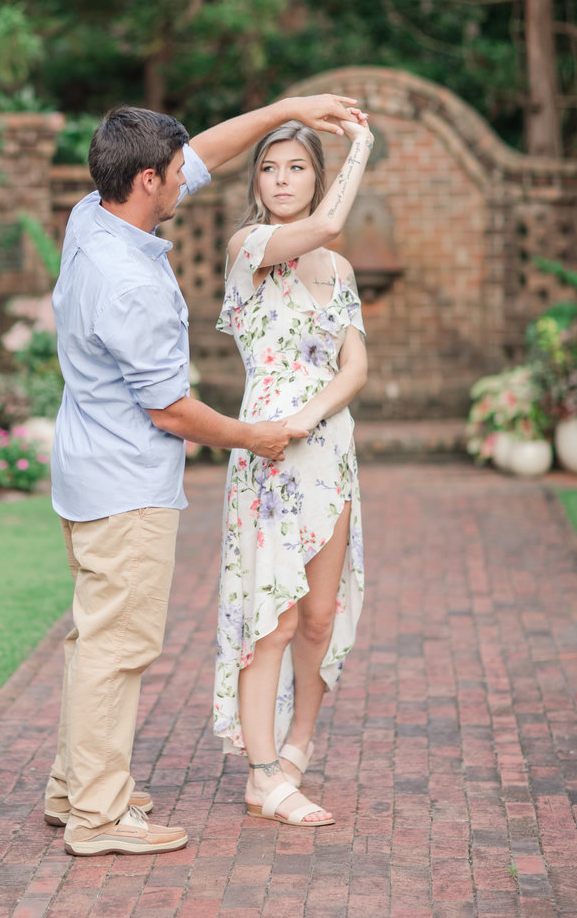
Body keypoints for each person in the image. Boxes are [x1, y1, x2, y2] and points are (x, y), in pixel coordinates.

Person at [43, 94, 368, 857]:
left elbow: (209, 152)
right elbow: (174, 413)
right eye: (178, 169)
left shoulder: (94, 215)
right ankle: (97, 817)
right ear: (151, 179)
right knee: (117, 647)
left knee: (95, 640)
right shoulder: (134, 285)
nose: (192, 174)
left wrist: (291, 107)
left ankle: (75, 788)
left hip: (88, 468)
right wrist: (256, 436)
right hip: (125, 482)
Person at [213, 116, 373, 828]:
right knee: (271, 620)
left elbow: (356, 365)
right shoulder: (248, 248)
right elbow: (327, 228)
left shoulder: (336, 274)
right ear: (256, 180)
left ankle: (298, 745)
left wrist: (314, 418)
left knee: (317, 615)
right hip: (269, 455)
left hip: (327, 451)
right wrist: (362, 147)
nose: (282, 179)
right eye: (270, 168)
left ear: (316, 175)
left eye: (297, 168)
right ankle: (260, 776)